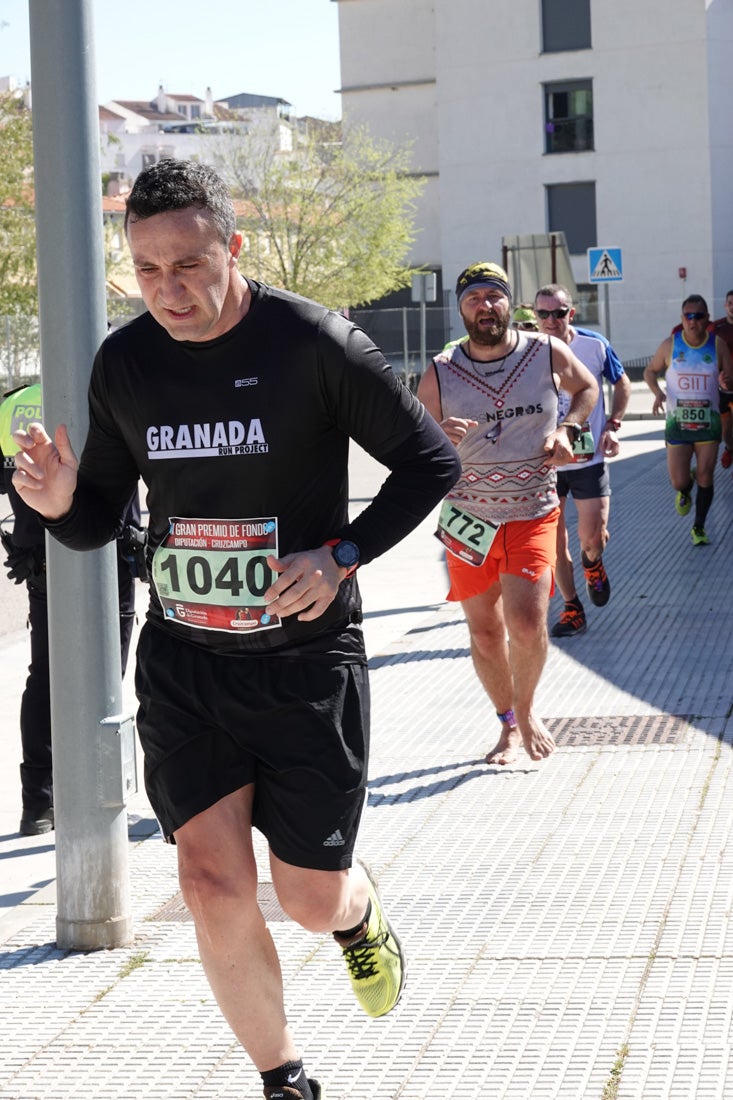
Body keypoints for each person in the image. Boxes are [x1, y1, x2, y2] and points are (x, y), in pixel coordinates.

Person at [11, 159, 460, 1100]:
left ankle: (355, 914)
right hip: (186, 665)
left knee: (304, 897)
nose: (168, 290)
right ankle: (283, 1078)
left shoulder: (311, 343)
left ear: (233, 247)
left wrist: (338, 555)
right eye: (146, 269)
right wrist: (58, 502)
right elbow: (98, 516)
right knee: (210, 886)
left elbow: (428, 462)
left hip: (304, 666)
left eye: (189, 264)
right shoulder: (125, 363)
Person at [416, 261, 597, 766]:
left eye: (493, 296)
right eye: (474, 298)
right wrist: (436, 438)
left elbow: (587, 390)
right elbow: (409, 437)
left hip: (532, 510)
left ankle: (527, 707)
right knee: (485, 631)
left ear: (508, 304)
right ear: (461, 308)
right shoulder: (439, 371)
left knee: (524, 621)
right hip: (467, 519)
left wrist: (569, 432)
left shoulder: (545, 352)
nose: (484, 306)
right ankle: (507, 724)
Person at [0, 381, 144, 836]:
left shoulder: (16, 403)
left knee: (44, 678)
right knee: (105, 674)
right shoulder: (100, 391)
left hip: (42, 558)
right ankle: (84, 794)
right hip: (106, 556)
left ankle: (39, 804)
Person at [534, 284, 631, 638]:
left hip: (588, 460)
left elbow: (621, 384)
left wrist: (613, 424)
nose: (550, 320)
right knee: (553, 543)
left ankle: (593, 563)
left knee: (592, 537)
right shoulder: (528, 351)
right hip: (546, 464)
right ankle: (572, 607)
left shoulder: (594, 345)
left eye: (558, 313)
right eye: (543, 314)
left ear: (570, 313)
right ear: (534, 316)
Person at [643, 294, 733, 545]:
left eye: (698, 316)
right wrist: (658, 392)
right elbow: (649, 371)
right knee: (678, 480)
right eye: (688, 316)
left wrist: (726, 383)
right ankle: (685, 489)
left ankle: (699, 527)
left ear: (707, 319)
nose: (693, 321)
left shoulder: (718, 346)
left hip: (708, 424)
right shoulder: (670, 345)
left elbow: (730, 378)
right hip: (678, 425)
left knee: (706, 475)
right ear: (682, 319)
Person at [712, 290, 733, 467]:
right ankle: (729, 448)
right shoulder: (717, 328)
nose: (732, 307)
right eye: (730, 303)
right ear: (726, 305)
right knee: (726, 431)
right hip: (722, 387)